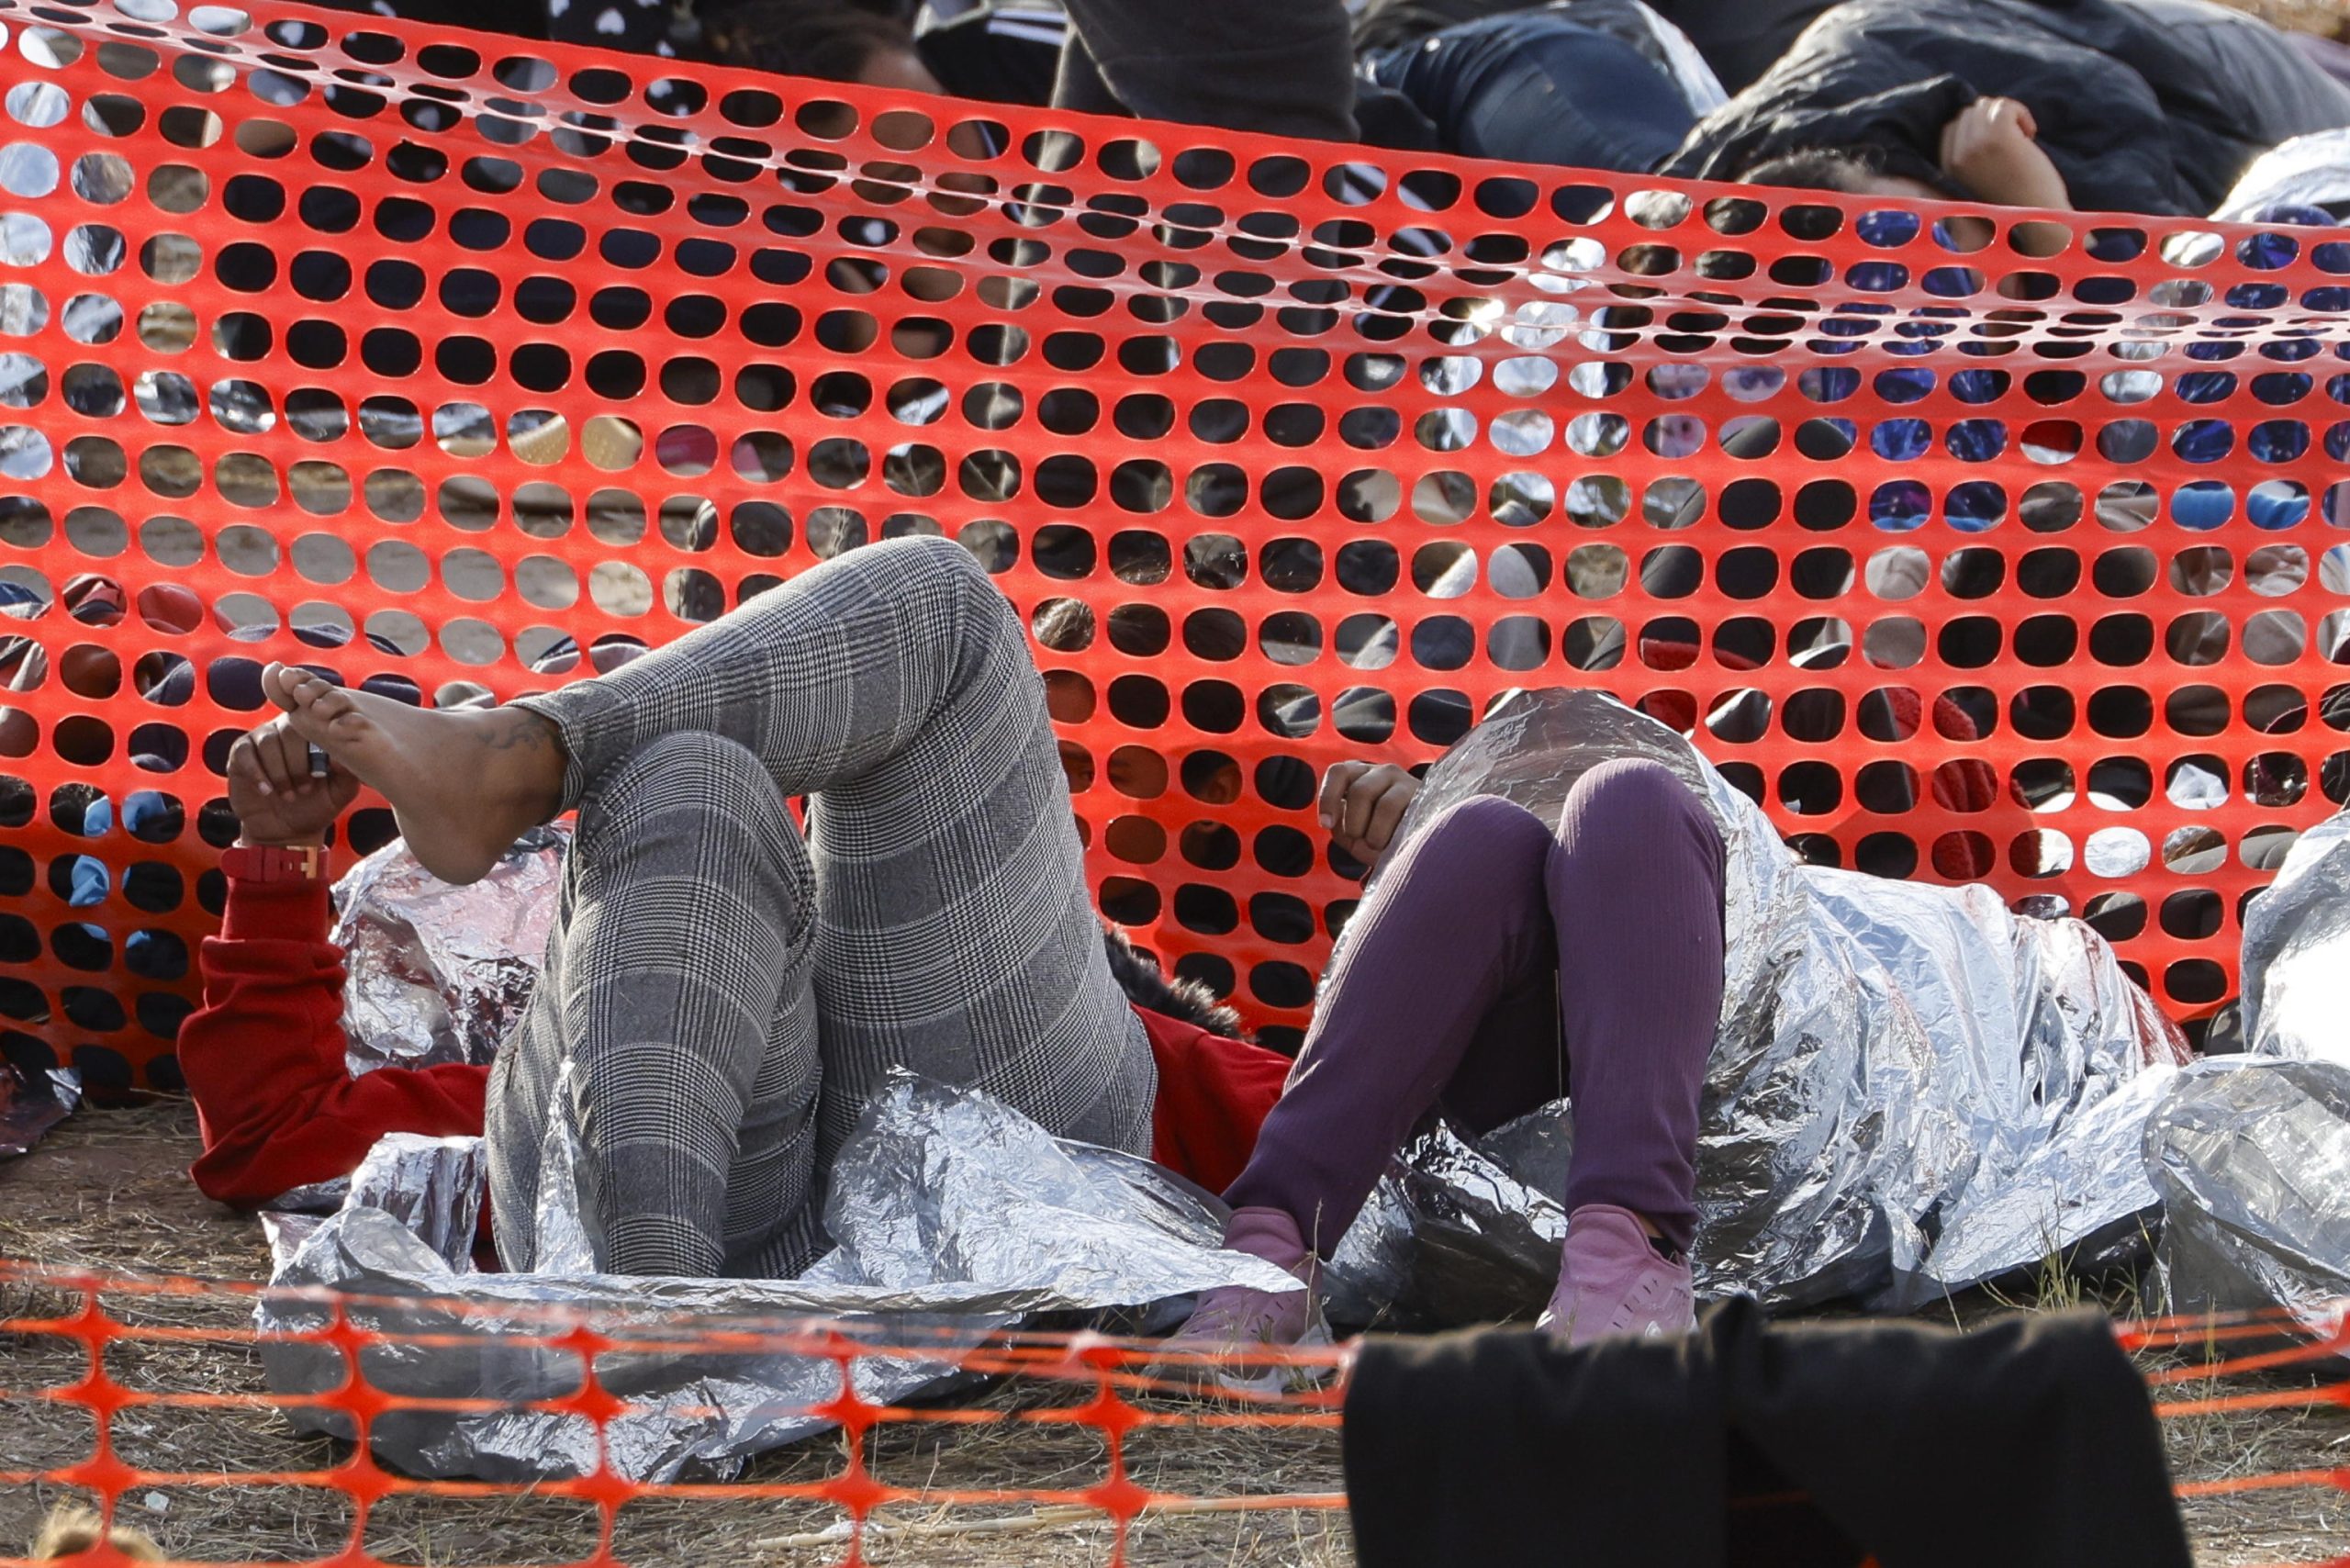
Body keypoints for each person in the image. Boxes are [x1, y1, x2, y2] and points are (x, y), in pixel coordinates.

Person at [198, 537, 1287, 1278]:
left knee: (942, 603)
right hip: (704, 1211)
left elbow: (1337, 1132)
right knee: (688, 779)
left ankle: (533, 753)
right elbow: (273, 1143)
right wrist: (279, 858)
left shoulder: (1004, 957)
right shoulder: (605, 971)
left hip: (1004, 1174)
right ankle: (654, 1320)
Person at [1168, 751, 1724, 1350]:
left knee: (1631, 798)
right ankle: (1267, 1263)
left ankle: (1636, 1262)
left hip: (1675, 1064)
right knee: (1483, 833)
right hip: (1492, 1096)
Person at [1669, 0, 2350, 217]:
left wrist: (2039, 224)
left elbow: (2173, 267)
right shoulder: (1699, 222)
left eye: (1940, 241)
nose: (1963, 283)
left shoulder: (1955, 96)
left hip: (2186, 77)